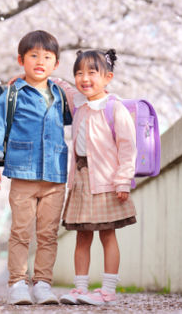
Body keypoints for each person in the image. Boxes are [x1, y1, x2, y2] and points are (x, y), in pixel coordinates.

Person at [0, 30, 70, 305]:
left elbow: (81, 113)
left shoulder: (61, 95)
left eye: (47, 57)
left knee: (48, 234)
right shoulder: (12, 94)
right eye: (33, 56)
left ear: (55, 64)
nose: (39, 61)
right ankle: (17, 283)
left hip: (55, 174)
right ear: (21, 59)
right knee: (21, 231)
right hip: (23, 172)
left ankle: (43, 283)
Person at [58, 49, 137, 306]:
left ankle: (107, 290)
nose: (84, 78)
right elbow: (64, 88)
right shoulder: (79, 105)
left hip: (106, 183)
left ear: (107, 77)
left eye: (92, 72)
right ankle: (80, 288)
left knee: (107, 235)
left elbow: (127, 147)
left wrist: (123, 180)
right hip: (81, 181)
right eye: (79, 73)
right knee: (82, 236)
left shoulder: (114, 108)